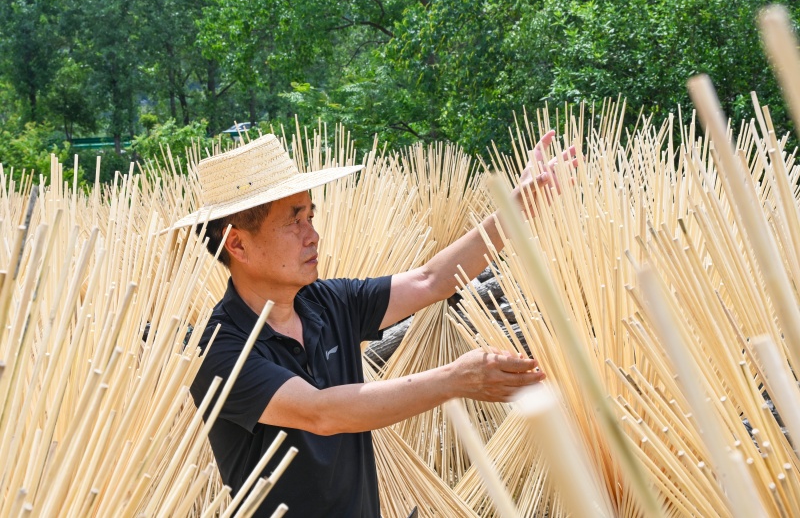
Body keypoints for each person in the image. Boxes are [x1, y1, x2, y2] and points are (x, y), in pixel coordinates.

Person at [168, 131, 573, 517]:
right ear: (237, 243)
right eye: (295, 221)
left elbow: (429, 281)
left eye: (311, 216)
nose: (313, 235)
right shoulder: (220, 349)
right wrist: (455, 379)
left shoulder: (327, 303)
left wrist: (514, 212)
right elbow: (320, 413)